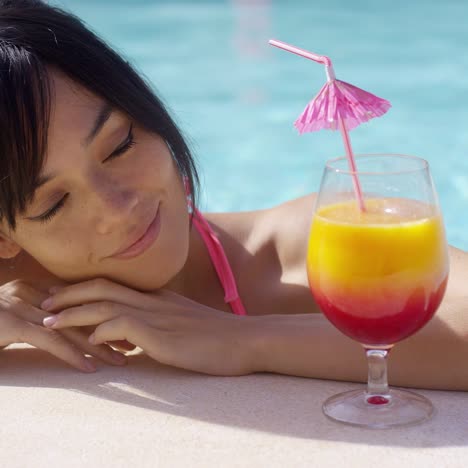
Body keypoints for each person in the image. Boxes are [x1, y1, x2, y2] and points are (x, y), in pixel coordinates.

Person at [1, 0, 467, 390]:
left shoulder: (296, 249)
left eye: (120, 145)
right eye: (54, 203)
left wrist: (246, 338)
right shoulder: (14, 286)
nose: (117, 207)